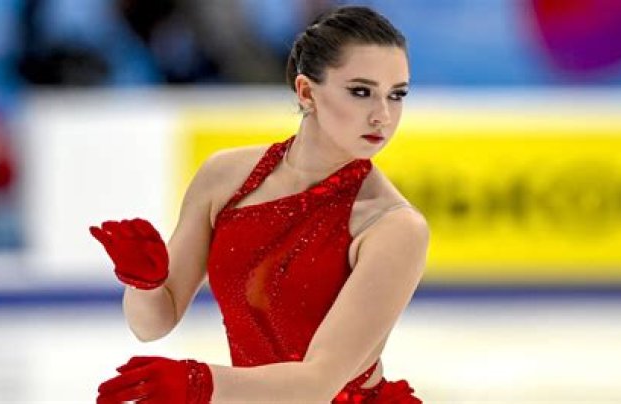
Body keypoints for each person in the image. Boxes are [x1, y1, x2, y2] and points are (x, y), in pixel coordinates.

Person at [90, 6, 429, 403]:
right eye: (361, 92)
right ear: (307, 92)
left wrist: (198, 383)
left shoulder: (393, 226)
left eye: (397, 95)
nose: (383, 116)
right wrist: (143, 283)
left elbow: (319, 382)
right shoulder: (223, 178)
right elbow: (152, 325)